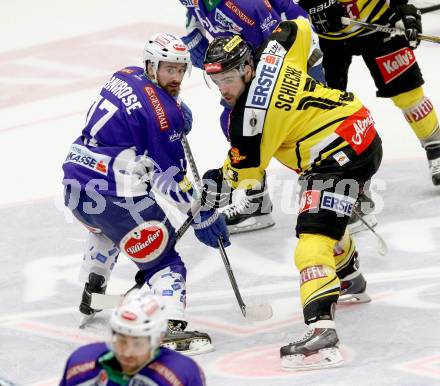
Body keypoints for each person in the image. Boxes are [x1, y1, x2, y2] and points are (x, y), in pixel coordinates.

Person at [202, 19, 382, 370]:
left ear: (246, 68)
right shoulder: (272, 54)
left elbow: (245, 175)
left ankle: (322, 330)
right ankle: (350, 279)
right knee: (330, 219)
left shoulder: (250, 119)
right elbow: (296, 26)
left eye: (228, 79)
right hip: (361, 129)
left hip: (338, 156)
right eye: (216, 80)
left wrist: (213, 186)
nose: (223, 88)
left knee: (311, 239)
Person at [62, 32, 230, 355]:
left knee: (105, 229)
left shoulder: (125, 73)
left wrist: (171, 112)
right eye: (169, 69)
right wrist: (202, 215)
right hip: (115, 194)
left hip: (75, 182)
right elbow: (171, 180)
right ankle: (169, 325)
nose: (176, 77)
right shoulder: (164, 116)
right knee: (165, 262)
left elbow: (136, 111)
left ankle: (93, 288)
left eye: (181, 70)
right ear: (152, 65)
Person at [178, 0, 327, 234]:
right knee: (233, 123)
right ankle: (256, 200)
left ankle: (350, 196)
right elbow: (193, 12)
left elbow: (275, 48)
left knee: (308, 128)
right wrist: (193, 34)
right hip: (255, 54)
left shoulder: (243, 6)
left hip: (294, 57)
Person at [297, 0, 440, 189]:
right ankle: (333, 168)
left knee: (409, 95)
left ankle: (435, 147)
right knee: (324, 108)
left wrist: (403, 8)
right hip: (326, 37)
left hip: (378, 22)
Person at [59, 289, 206, 385]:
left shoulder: (182, 374)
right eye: (122, 341)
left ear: (158, 339)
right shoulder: (81, 363)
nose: (127, 352)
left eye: (137, 344)